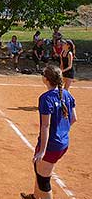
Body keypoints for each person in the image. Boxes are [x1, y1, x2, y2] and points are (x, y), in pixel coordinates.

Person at [21, 65, 77, 199]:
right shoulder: (67, 94)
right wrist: (61, 130)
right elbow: (74, 118)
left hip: (51, 146)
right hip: (62, 143)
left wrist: (42, 151)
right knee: (38, 168)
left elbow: (45, 126)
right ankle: (35, 196)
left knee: (44, 181)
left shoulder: (46, 98)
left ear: (46, 79)